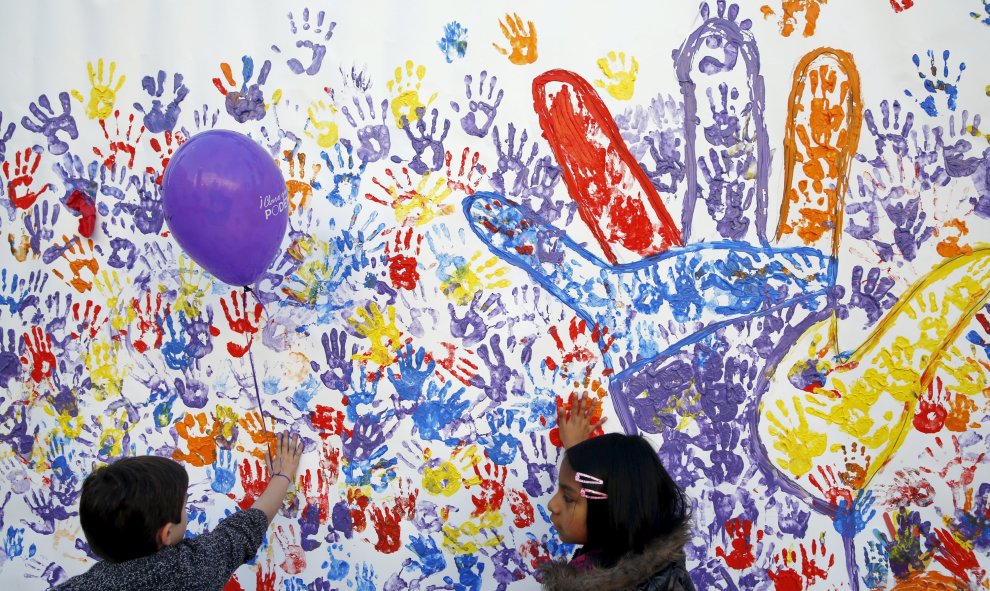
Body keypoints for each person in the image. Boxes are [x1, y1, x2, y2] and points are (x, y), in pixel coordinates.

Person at [55, 431, 304, 591]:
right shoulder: (186, 571)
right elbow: (244, 530)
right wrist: (282, 476)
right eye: (184, 506)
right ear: (166, 534)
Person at [541, 393, 696, 591]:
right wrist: (579, 453)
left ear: (612, 511)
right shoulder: (653, 565)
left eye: (568, 498)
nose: (552, 505)